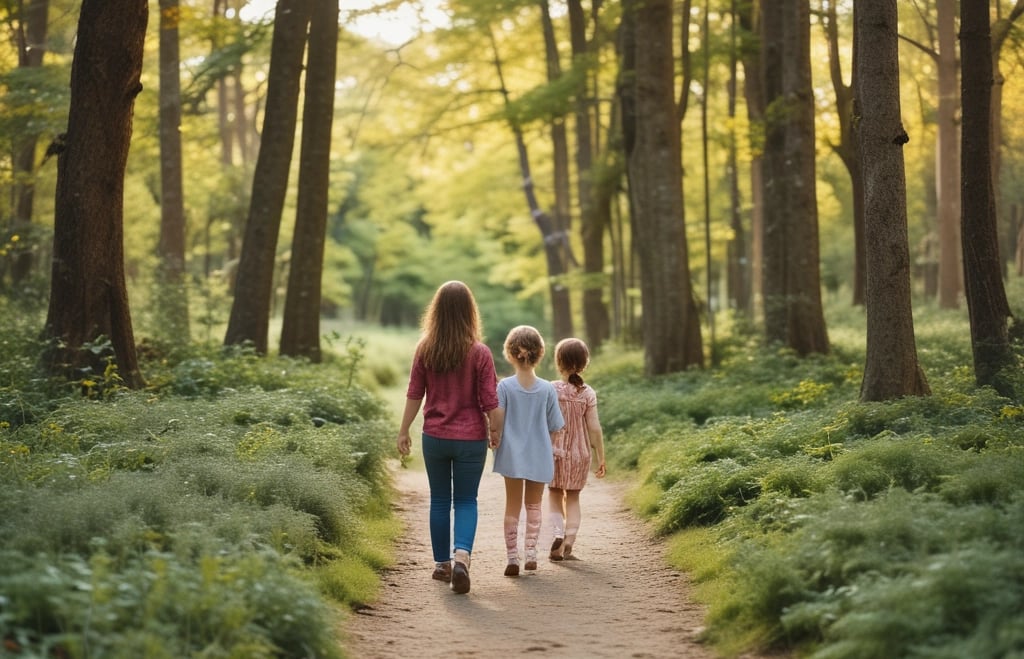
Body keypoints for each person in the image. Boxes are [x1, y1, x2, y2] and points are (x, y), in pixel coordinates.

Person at [396, 281, 501, 595]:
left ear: (436, 311)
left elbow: (415, 393)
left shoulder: (426, 347)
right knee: (466, 500)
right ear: (470, 312)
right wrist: (496, 430)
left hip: (435, 436)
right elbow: (490, 401)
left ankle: (441, 564)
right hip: (470, 439)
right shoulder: (480, 352)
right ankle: (461, 557)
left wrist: (403, 431)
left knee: (440, 500)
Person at [490, 325, 565, 576]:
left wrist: (494, 436)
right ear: (540, 353)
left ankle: (512, 557)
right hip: (539, 454)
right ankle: (531, 554)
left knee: (512, 505)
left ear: (510, 354)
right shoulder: (546, 388)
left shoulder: (504, 387)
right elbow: (556, 425)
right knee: (534, 505)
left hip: (512, 454)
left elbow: (496, 419)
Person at [548, 337, 606, 561]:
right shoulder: (588, 393)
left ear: (558, 361)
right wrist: (601, 457)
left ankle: (556, 535)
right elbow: (594, 428)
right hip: (580, 454)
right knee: (573, 497)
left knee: (554, 494)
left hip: (555, 452)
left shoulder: (551, 389)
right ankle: (569, 540)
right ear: (585, 363)